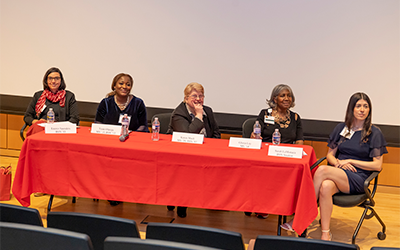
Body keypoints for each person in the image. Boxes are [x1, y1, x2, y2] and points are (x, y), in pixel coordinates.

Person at [280, 92, 387, 241]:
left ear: (369, 110)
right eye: (358, 106)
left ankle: (300, 218)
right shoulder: (342, 128)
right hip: (338, 173)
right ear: (351, 109)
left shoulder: (374, 133)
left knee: (322, 170)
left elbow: (377, 165)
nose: (362, 110)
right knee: (325, 187)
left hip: (359, 177)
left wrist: (350, 161)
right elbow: (330, 155)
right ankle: (325, 233)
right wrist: (337, 163)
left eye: (365, 106)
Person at [246, 84, 304, 219]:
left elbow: (300, 141)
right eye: (282, 95)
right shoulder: (265, 114)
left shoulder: (295, 118)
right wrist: (254, 136)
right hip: (266, 155)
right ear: (275, 98)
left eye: (289, 95)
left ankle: (285, 206)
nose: (286, 98)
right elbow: (254, 134)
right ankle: (261, 204)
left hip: (287, 156)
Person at [166, 82, 221, 218]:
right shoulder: (178, 113)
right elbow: (188, 136)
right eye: (194, 96)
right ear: (186, 98)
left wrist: (212, 148)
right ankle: (181, 202)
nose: (198, 99)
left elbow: (216, 133)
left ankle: (213, 201)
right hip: (183, 153)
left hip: (205, 150)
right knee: (186, 172)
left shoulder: (208, 110)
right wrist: (198, 116)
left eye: (201, 96)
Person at [95, 73, 148, 206]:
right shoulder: (105, 103)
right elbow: (98, 123)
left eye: (128, 84)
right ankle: (112, 193)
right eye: (121, 83)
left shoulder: (138, 103)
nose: (125, 86)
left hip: (132, 144)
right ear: (114, 85)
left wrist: (131, 135)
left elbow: (144, 125)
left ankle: (128, 192)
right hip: (109, 145)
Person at [24, 67, 79, 132]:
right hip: (41, 130)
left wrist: (57, 127)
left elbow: (75, 119)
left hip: (60, 130)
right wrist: (37, 122)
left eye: (57, 78)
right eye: (50, 78)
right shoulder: (38, 95)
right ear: (46, 81)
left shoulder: (69, 96)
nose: (53, 81)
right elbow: (27, 116)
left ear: (61, 81)